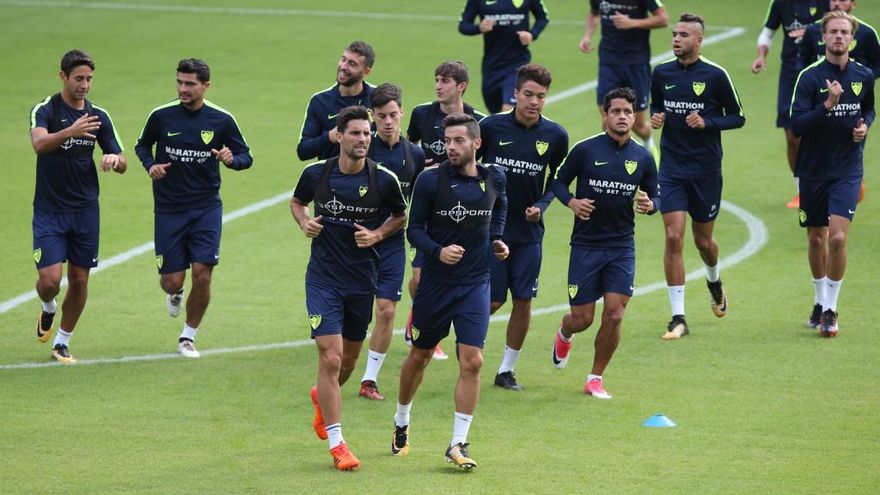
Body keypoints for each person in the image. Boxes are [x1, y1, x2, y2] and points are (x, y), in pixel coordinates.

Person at [291, 106, 407, 470]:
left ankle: (321, 398)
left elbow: (400, 215)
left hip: (361, 280)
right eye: (355, 133)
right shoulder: (316, 174)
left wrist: (378, 233)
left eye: (366, 134)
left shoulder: (383, 179)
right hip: (323, 278)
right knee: (331, 357)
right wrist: (304, 221)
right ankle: (339, 445)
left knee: (349, 362)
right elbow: (298, 202)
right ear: (339, 136)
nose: (362, 139)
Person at [392, 113, 508, 471]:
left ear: (477, 143)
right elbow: (414, 231)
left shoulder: (494, 178)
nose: (450, 147)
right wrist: (437, 251)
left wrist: (497, 238)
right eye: (447, 140)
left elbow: (500, 207)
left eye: (459, 141)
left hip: (475, 283)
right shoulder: (430, 180)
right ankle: (401, 420)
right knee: (420, 357)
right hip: (436, 287)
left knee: (473, 361)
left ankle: (458, 442)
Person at [135, 58, 253, 358]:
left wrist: (231, 160)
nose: (183, 89)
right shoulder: (161, 116)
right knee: (172, 280)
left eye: (189, 84)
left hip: (205, 207)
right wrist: (150, 166)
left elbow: (245, 156)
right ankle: (175, 292)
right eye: (179, 82)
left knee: (203, 274)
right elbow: (141, 146)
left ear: (205, 86)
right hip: (168, 209)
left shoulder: (221, 120)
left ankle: (188, 337)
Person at [549, 87, 659, 399]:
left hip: (622, 247)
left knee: (614, 314)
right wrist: (572, 202)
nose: (623, 117)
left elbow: (657, 192)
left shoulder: (643, 157)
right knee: (583, 318)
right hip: (586, 246)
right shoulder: (585, 151)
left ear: (635, 115)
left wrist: (652, 205)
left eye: (628, 112)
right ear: (605, 115)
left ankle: (595, 377)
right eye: (616, 111)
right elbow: (557, 181)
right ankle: (565, 331)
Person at [650, 13, 746, 340]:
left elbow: (738, 117)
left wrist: (708, 123)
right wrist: (657, 116)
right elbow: (656, 107)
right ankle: (677, 317)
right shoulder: (661, 72)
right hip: (672, 169)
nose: (676, 39)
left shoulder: (716, 76)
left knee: (703, 242)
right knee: (674, 238)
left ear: (698, 40)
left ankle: (714, 281)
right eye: (674, 34)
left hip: (705, 171)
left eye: (683, 35)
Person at [30, 49, 127, 364]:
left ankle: (62, 342)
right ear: (63, 77)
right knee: (49, 281)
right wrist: (70, 132)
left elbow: (123, 160)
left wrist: (114, 159)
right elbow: (39, 144)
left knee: (81, 279)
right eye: (79, 78)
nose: (85, 85)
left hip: (85, 210)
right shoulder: (46, 110)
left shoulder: (99, 116)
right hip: (49, 210)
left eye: (89, 79)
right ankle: (48, 308)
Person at [477, 63, 568, 391]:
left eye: (541, 96)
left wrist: (541, 206)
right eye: (528, 94)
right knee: (491, 300)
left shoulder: (555, 136)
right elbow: (469, 169)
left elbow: (558, 180)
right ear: (515, 94)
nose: (534, 101)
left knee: (524, 300)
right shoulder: (489, 127)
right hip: (491, 230)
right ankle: (466, 344)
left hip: (529, 233)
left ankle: (506, 370)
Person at [790, 10, 874, 337]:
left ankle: (830, 309)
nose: (839, 37)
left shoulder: (863, 75)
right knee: (816, 237)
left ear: (852, 38)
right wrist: (827, 104)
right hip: (813, 170)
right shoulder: (809, 78)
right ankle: (818, 299)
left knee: (837, 237)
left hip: (847, 169)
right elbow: (796, 126)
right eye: (833, 32)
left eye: (844, 32)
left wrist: (865, 125)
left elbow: (868, 108)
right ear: (823, 37)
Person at [405, 60, 487, 360]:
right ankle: (423, 320)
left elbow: (481, 167)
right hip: (429, 205)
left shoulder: (478, 120)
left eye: (446, 81)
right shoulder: (421, 114)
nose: (439, 86)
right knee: (418, 279)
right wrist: (419, 168)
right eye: (437, 79)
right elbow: (408, 149)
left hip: (464, 212)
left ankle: (428, 326)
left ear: (461, 86)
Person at [358, 83, 426, 401]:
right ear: (373, 116)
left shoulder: (414, 154)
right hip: (355, 240)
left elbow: (416, 197)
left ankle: (369, 379)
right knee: (355, 312)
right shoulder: (360, 148)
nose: (388, 121)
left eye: (393, 115)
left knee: (386, 311)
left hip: (392, 239)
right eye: (382, 116)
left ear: (402, 113)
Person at [751, 0, 828, 208]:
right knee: (792, 134)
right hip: (791, 75)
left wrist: (812, 33)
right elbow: (768, 32)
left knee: (828, 131)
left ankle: (840, 182)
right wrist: (761, 56)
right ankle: (802, 191)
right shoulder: (780, 3)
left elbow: (842, 28)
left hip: (823, 73)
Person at [579, 0, 668, 157]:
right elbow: (594, 13)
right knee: (608, 115)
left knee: (639, 125)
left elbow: (663, 19)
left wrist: (631, 23)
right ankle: (613, 157)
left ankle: (648, 144)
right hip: (609, 62)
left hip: (636, 64)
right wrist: (587, 36)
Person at [458, 0, 549, 114]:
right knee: (496, 115)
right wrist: (479, 28)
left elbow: (543, 18)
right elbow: (463, 25)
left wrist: (532, 34)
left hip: (518, 64)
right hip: (491, 67)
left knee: (508, 111)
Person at [296, 41, 376, 162]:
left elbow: (394, 140)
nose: (344, 67)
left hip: (371, 177)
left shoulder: (377, 97)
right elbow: (303, 151)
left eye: (352, 64)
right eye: (343, 59)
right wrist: (330, 136)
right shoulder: (320, 101)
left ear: (366, 71)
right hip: (330, 177)